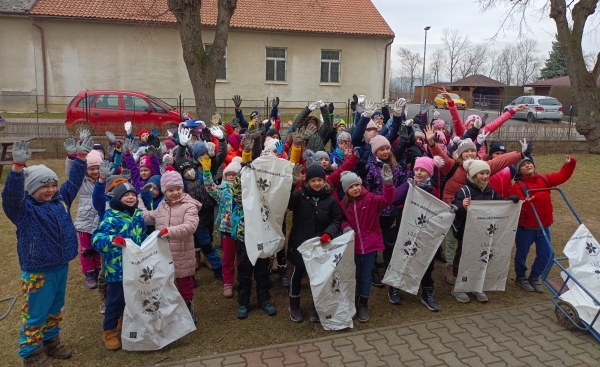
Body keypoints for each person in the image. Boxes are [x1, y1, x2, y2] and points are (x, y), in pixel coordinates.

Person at [3, 137, 92, 366]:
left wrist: (80, 158)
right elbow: (10, 197)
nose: (51, 189)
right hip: (38, 272)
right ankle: (31, 353)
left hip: (60, 267)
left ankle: (51, 342)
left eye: (53, 184)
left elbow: (72, 182)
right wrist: (16, 168)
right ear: (32, 188)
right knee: (36, 313)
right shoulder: (24, 210)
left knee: (54, 308)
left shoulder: (60, 201)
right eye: (45, 186)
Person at [425, 126, 530, 285]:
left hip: (474, 210)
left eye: (472, 151)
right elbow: (440, 155)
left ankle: (467, 269)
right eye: (466, 152)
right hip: (453, 206)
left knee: (468, 241)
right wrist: (432, 143)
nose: (470, 154)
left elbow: (500, 161)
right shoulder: (452, 166)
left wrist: (521, 154)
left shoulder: (482, 167)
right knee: (451, 240)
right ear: (460, 154)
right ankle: (449, 267)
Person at [450, 160, 520, 303]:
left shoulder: (490, 191)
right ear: (474, 175)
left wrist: (510, 201)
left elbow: (500, 205)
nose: (485, 176)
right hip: (466, 232)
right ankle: (458, 287)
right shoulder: (464, 191)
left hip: (484, 233)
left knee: (481, 258)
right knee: (463, 258)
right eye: (482, 173)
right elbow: (455, 210)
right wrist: (461, 206)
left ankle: (477, 285)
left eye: (487, 173)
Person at [92, 182, 148, 350]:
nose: (130, 197)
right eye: (125, 195)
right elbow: (96, 239)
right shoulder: (110, 217)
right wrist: (112, 241)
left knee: (133, 297)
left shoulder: (138, 215)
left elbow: (143, 236)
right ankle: (109, 330)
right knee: (115, 300)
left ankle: (125, 320)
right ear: (117, 198)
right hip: (116, 270)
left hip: (135, 268)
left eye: (132, 194)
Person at [140, 171, 202, 323]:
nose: (175, 193)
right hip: (164, 254)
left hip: (182, 253)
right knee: (167, 284)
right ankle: (172, 310)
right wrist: (139, 198)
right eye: (171, 190)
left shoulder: (189, 206)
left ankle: (188, 309)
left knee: (184, 284)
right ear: (164, 192)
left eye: (178, 189)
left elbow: (190, 226)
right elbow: (147, 217)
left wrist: (169, 231)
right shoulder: (162, 206)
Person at [511, 155, 577, 293]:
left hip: (543, 226)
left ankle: (535, 277)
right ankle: (520, 276)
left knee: (546, 253)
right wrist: (525, 202)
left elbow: (562, 176)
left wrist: (570, 163)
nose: (528, 165)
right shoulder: (518, 186)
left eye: (530, 163)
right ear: (519, 170)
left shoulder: (544, 179)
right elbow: (517, 203)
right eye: (523, 165)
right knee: (522, 253)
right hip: (525, 228)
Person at [287, 164, 343, 323]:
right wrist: (292, 184)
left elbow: (336, 219)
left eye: (319, 180)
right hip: (301, 242)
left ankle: (317, 305)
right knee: (298, 272)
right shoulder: (300, 195)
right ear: (307, 182)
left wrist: (329, 233)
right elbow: (288, 204)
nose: (317, 183)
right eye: (313, 181)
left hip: (321, 244)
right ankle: (294, 305)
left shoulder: (330, 199)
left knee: (318, 276)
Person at [338, 166, 395, 322]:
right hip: (353, 246)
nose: (355, 189)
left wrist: (388, 184)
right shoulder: (344, 205)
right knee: (354, 275)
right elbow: (339, 220)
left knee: (365, 275)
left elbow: (387, 200)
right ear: (346, 190)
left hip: (370, 245)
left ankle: (363, 303)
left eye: (357, 185)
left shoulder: (371, 198)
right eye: (351, 187)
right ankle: (353, 302)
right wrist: (345, 227)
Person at [229, 138, 277, 319]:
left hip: (263, 236)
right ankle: (243, 301)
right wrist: (244, 171)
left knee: (263, 271)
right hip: (244, 237)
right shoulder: (243, 200)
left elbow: (275, 186)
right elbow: (236, 191)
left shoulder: (265, 198)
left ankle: (264, 300)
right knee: (245, 271)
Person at [393, 156, 444, 311]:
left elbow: (437, 209)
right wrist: (407, 186)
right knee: (403, 256)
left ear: (429, 173)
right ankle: (394, 286)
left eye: (423, 170)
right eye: (417, 169)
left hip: (424, 230)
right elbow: (394, 199)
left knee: (426, 260)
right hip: (407, 227)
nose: (419, 172)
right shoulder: (409, 184)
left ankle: (427, 292)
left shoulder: (432, 190)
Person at [363, 135, 408, 304]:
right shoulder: (371, 167)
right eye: (381, 149)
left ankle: (392, 279)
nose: (385, 152)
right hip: (375, 213)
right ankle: (372, 270)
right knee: (374, 244)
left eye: (387, 148)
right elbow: (367, 190)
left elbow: (404, 181)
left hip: (392, 213)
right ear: (375, 151)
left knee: (391, 244)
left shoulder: (396, 166)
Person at [69, 149, 103, 289]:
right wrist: (72, 157)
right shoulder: (82, 183)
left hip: (100, 221)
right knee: (86, 249)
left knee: (99, 247)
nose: (95, 171)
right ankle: (89, 272)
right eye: (91, 168)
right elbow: (71, 172)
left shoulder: (103, 182)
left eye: (97, 168)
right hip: (85, 221)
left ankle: (99, 268)